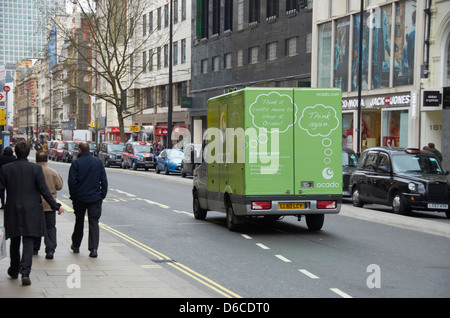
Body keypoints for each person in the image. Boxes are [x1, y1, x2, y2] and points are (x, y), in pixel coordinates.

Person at [0, 142, 63, 285]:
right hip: (32, 210)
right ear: (29, 153)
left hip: (13, 210)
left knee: (15, 241)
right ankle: (25, 272)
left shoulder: (6, 169)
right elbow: (44, 190)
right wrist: (56, 206)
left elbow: (0, 188)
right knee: (28, 241)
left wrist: (3, 202)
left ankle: (14, 269)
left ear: (16, 152)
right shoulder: (35, 169)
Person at [68, 141, 108, 258]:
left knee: (79, 221)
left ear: (80, 150)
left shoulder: (76, 163)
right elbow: (104, 180)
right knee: (94, 222)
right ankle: (93, 249)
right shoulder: (98, 162)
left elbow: (72, 182)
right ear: (89, 149)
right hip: (95, 198)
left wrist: (73, 196)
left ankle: (76, 246)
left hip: (80, 197)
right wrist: (102, 195)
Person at [33, 150, 64, 260]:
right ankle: (50, 249)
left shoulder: (33, 171)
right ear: (47, 159)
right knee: (50, 227)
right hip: (50, 205)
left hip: (35, 204)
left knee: (35, 227)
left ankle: (35, 248)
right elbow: (59, 186)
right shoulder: (53, 172)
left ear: (36, 160)